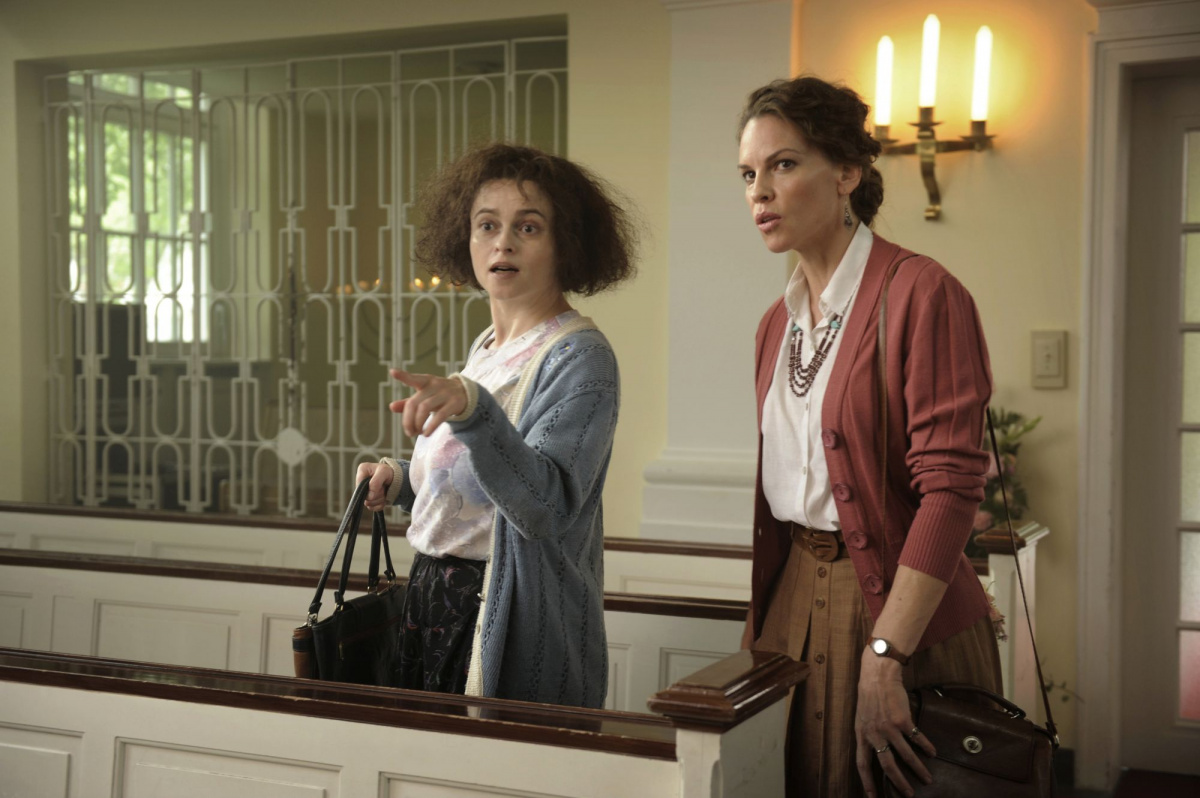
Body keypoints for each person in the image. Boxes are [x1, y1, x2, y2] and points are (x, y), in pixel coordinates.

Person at [736, 76, 1003, 798]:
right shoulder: (774, 325)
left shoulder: (923, 292)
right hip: (793, 601)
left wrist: (886, 654)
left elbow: (951, 492)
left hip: (898, 613)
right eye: (749, 174)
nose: (760, 192)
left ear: (847, 172)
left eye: (784, 164)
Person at [355, 143, 636, 708]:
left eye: (527, 227)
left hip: (507, 616)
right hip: (431, 603)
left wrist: (473, 411)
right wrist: (402, 479)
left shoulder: (580, 357)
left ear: (566, 243)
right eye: (487, 225)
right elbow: (481, 488)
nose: (502, 242)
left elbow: (545, 507)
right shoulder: (487, 348)